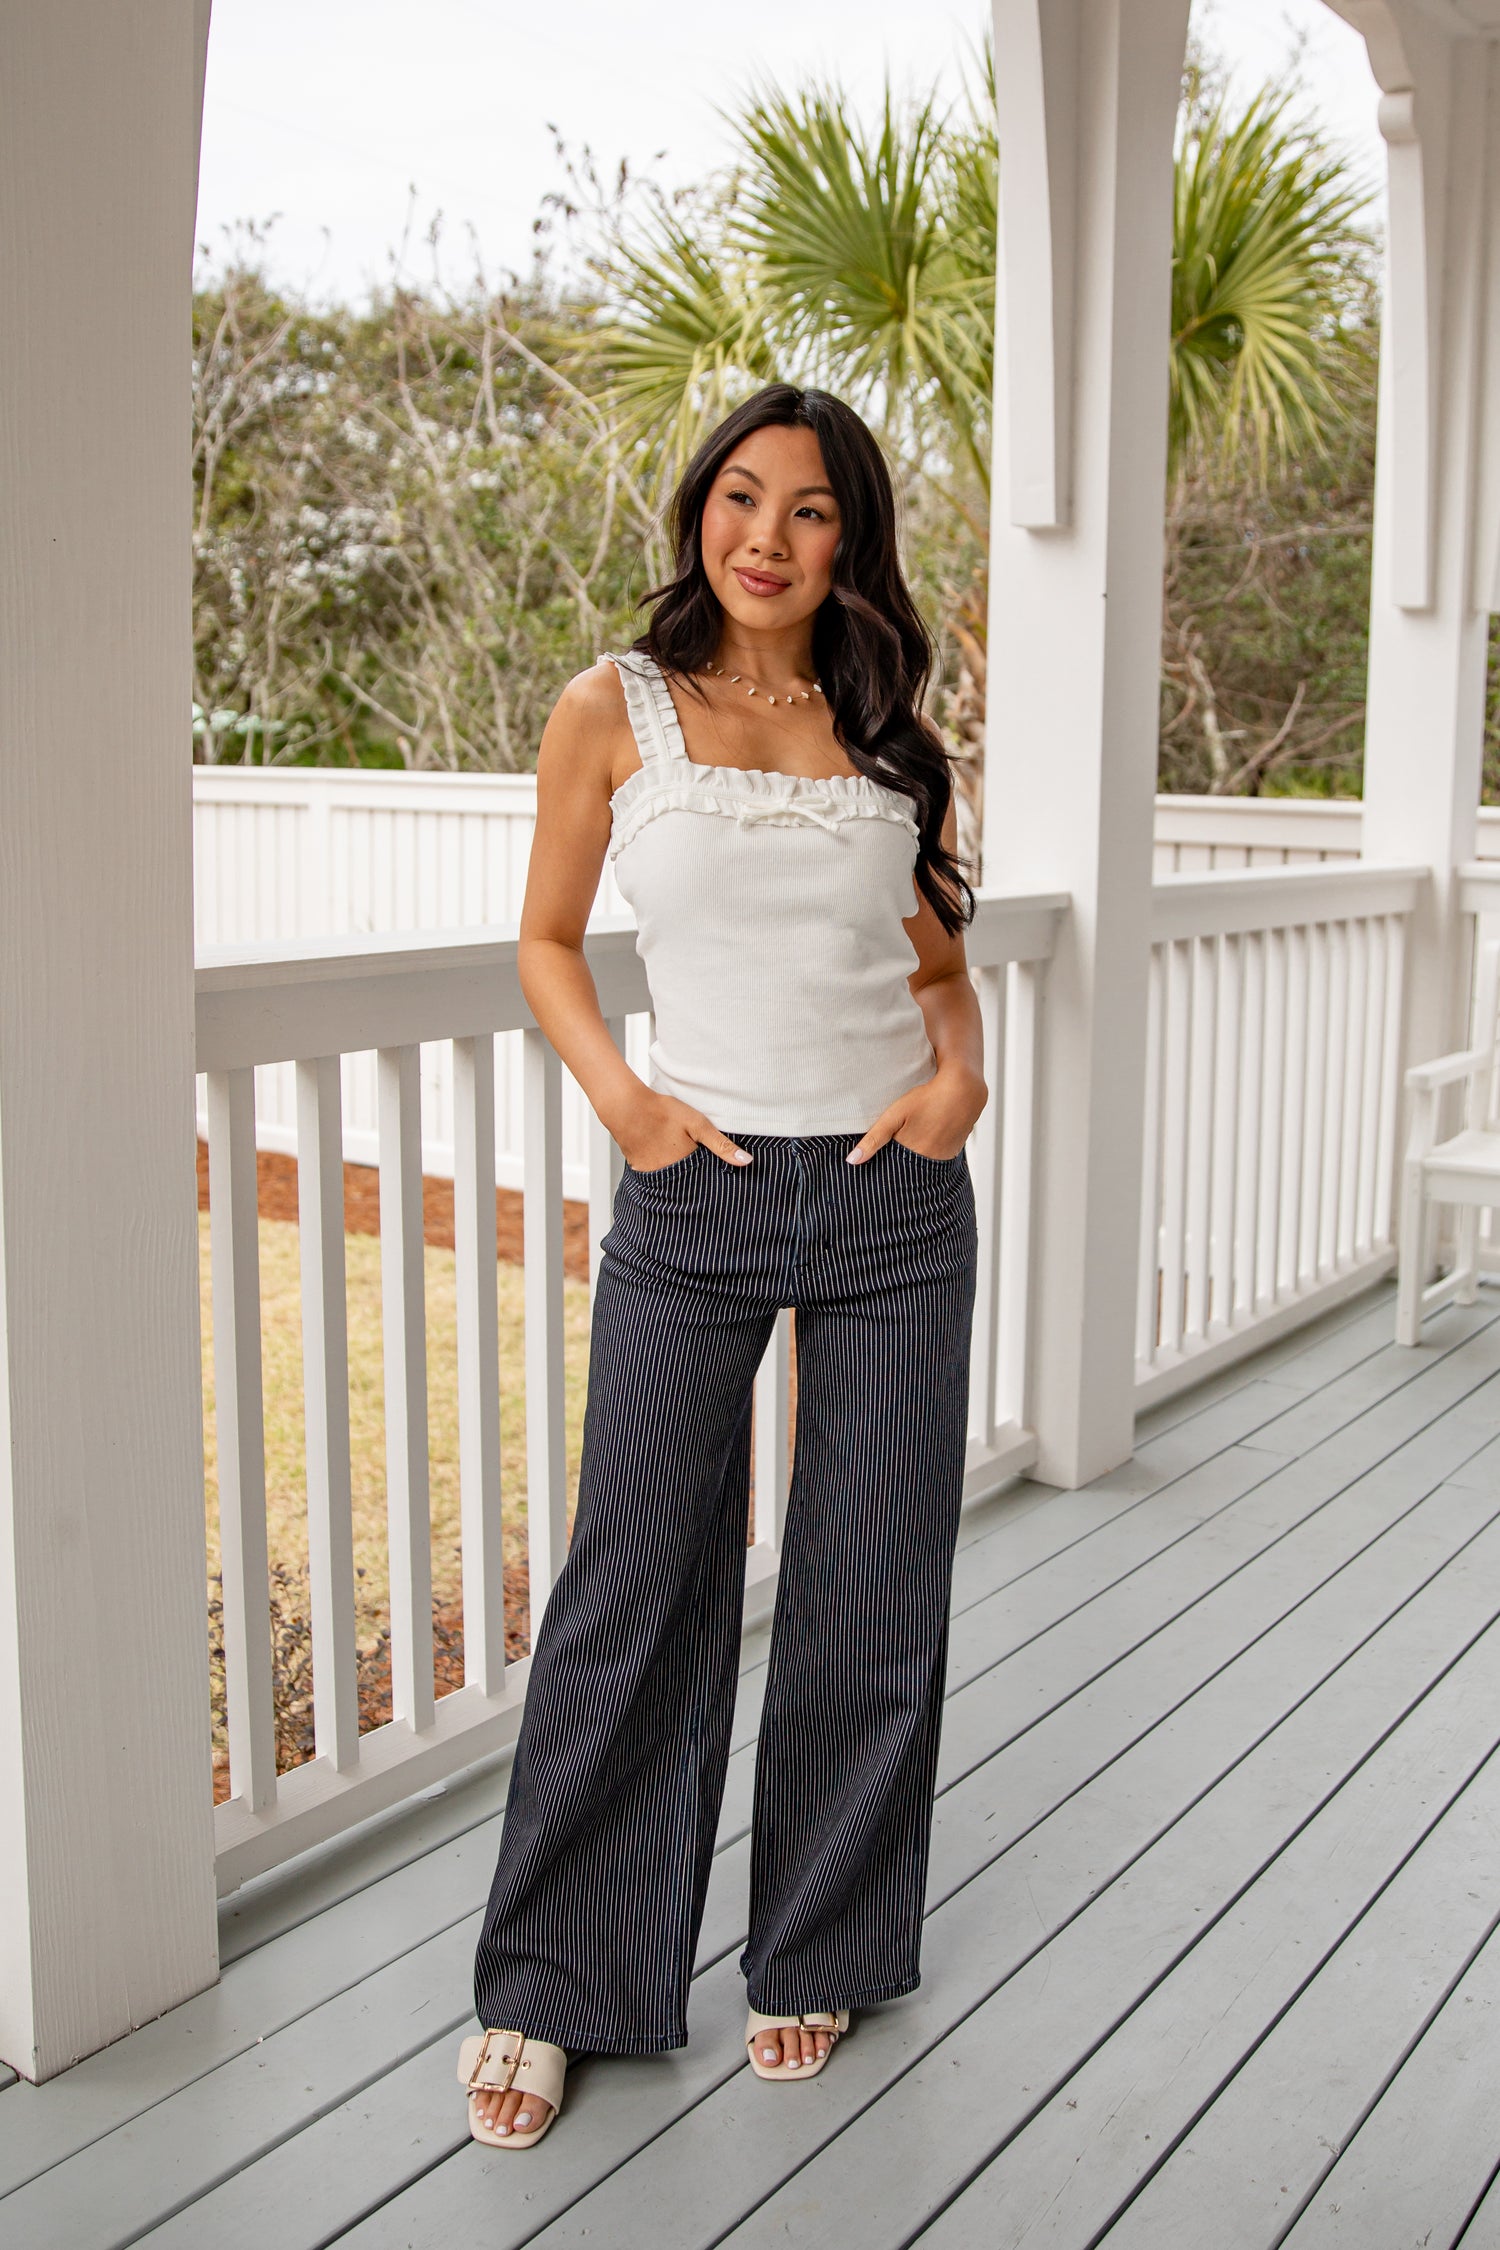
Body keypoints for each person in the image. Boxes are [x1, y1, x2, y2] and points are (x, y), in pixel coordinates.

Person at [457, 382, 985, 2150]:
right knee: (636, 1585)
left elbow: (933, 957)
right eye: (741, 498)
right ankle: (557, 1980)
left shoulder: (887, 724)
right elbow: (543, 938)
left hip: (891, 1205)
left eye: (812, 509)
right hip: (696, 1194)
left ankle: (813, 1938)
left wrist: (962, 1073)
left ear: (854, 540)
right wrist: (626, 1099)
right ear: (701, 512)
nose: (768, 537)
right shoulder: (613, 710)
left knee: (868, 1581)